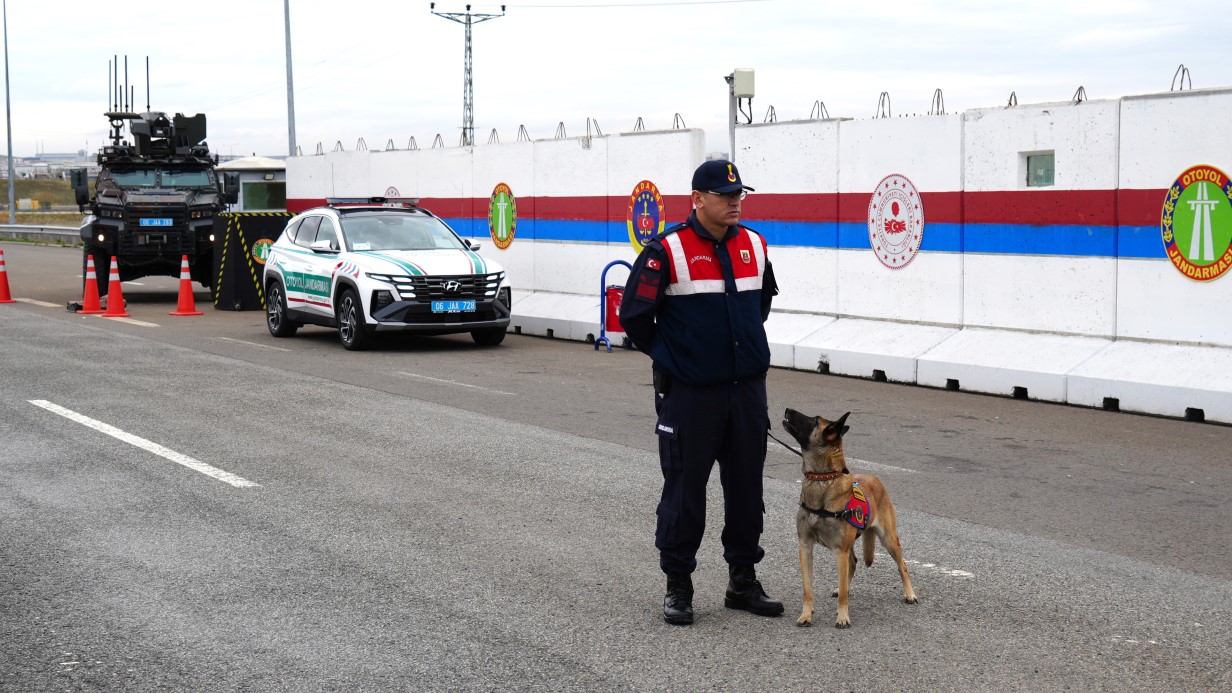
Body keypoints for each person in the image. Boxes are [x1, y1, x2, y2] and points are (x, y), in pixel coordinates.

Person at [619, 159, 782, 625]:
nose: (735, 202)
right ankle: (679, 585)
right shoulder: (664, 251)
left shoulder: (755, 243)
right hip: (692, 396)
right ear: (697, 199)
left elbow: (760, 306)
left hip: (747, 391)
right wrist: (678, 358)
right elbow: (634, 318)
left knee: (747, 490)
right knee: (686, 491)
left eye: (739, 195)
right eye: (724, 195)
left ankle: (742, 581)